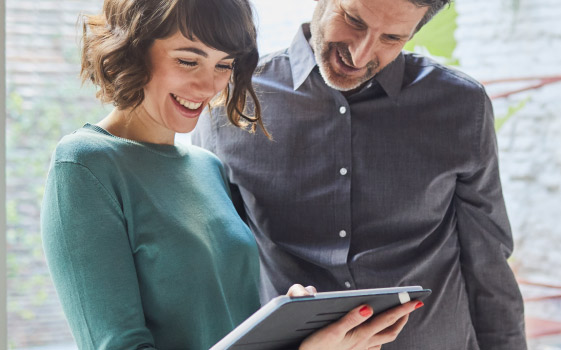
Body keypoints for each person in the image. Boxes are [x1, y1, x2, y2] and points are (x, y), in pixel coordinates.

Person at [40, 0, 424, 349]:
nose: (208, 86)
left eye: (224, 65)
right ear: (135, 48)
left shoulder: (207, 167)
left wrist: (286, 328)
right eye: (189, 60)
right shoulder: (85, 165)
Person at [191, 0, 528, 349]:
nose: (361, 53)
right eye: (353, 20)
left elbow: (488, 267)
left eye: (392, 38)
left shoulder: (461, 105)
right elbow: (214, 271)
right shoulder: (231, 99)